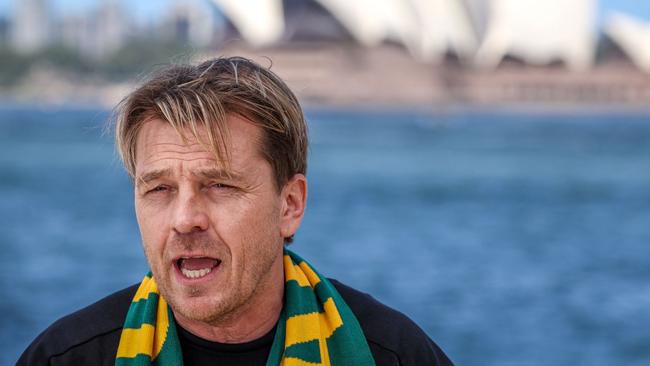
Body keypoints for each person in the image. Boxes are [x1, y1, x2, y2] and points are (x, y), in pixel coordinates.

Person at [17, 57, 453, 366]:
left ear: (290, 205)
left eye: (220, 185)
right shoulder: (68, 356)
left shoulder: (391, 354)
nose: (185, 219)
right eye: (160, 189)